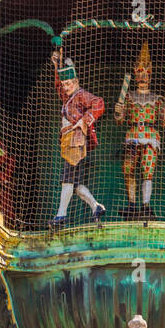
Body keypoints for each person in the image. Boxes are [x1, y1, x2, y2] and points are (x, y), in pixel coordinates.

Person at [114, 42, 165, 219]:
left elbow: (164, 122)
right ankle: (132, 205)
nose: (143, 76)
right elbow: (120, 120)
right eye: (140, 72)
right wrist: (118, 112)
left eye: (146, 73)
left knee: (147, 171)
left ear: (150, 75)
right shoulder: (129, 96)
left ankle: (146, 206)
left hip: (150, 136)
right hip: (132, 134)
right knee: (129, 169)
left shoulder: (156, 98)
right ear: (135, 73)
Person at [51, 50, 106, 228]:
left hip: (76, 141)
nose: (65, 87)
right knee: (74, 184)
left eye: (68, 84)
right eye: (64, 84)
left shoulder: (81, 94)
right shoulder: (68, 97)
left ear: (75, 82)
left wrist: (85, 120)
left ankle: (61, 216)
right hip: (68, 141)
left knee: (67, 178)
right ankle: (95, 206)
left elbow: (99, 103)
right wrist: (57, 66)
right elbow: (58, 87)